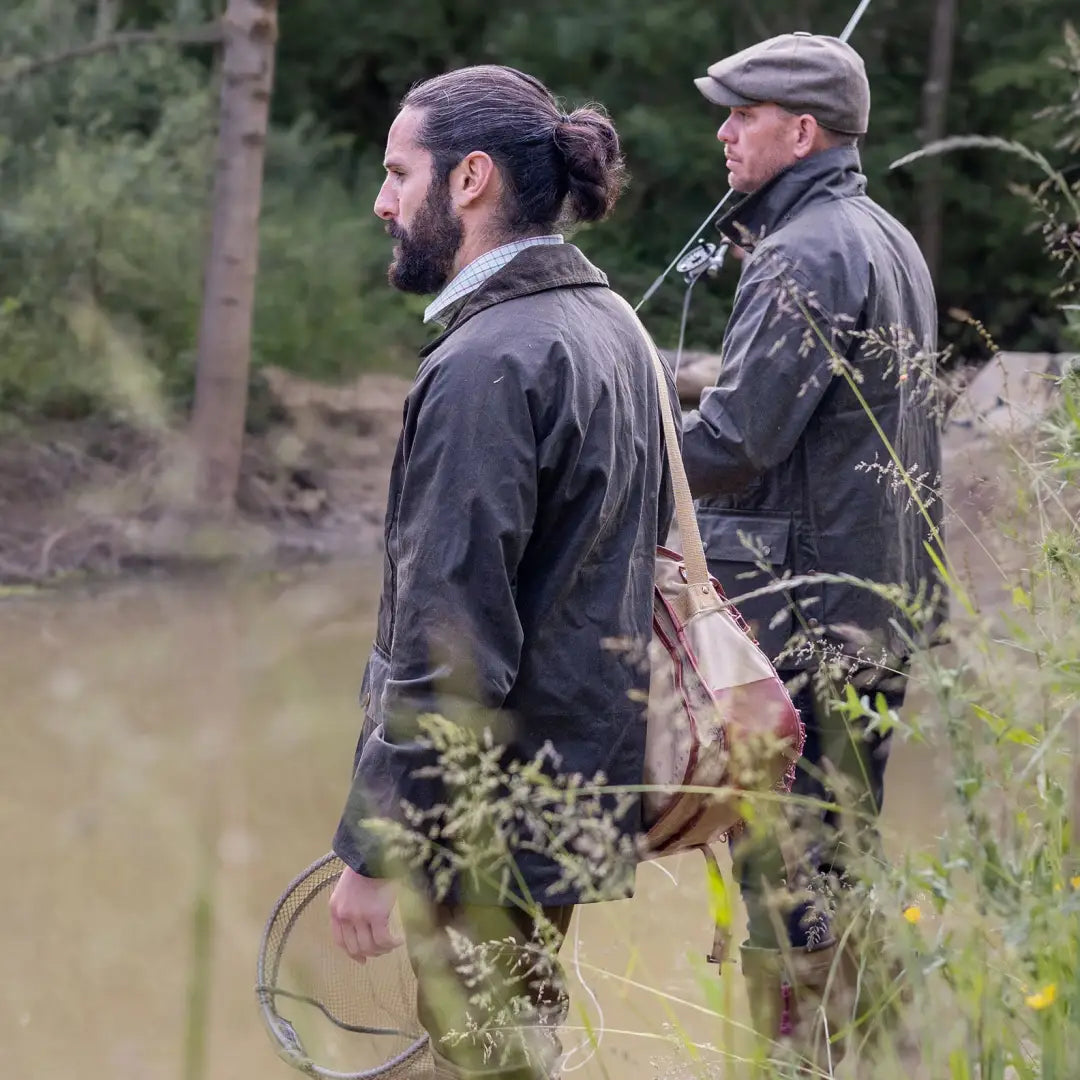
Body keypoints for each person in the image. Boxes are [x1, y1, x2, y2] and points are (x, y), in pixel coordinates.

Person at [327, 65, 674, 1080]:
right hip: (559, 802)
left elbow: (452, 637)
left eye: (400, 172)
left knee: (490, 1060)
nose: (383, 200)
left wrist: (378, 842)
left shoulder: (490, 362)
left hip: (490, 820)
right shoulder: (608, 325)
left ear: (470, 179)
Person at [683, 32, 942, 1067]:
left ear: (802, 130)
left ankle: (803, 1060)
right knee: (838, 862)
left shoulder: (804, 248)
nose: (723, 132)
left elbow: (738, 443)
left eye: (742, 115)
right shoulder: (881, 234)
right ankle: (872, 1054)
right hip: (874, 612)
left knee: (788, 875)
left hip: (799, 621)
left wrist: (632, 431)